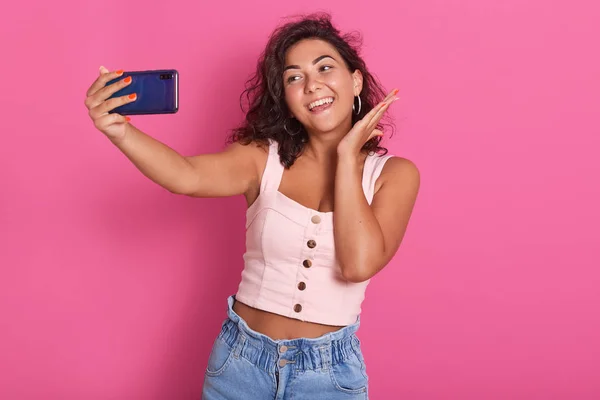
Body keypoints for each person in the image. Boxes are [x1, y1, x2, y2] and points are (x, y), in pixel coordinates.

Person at [84, 12, 419, 400]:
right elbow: (186, 175)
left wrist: (346, 157)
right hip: (240, 364)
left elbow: (358, 265)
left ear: (354, 79)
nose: (312, 85)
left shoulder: (395, 175)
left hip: (329, 377)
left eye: (325, 68)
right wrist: (119, 130)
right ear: (286, 97)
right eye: (294, 77)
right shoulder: (263, 158)